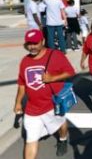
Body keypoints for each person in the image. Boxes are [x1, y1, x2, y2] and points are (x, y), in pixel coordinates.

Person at [14, 29, 75, 159]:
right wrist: (18, 102)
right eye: (29, 44)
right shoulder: (25, 61)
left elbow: (70, 72)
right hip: (32, 109)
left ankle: (63, 140)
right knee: (30, 140)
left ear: (43, 41)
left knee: (61, 125)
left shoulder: (55, 55)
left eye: (35, 43)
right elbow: (22, 84)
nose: (32, 47)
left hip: (52, 105)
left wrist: (52, 78)